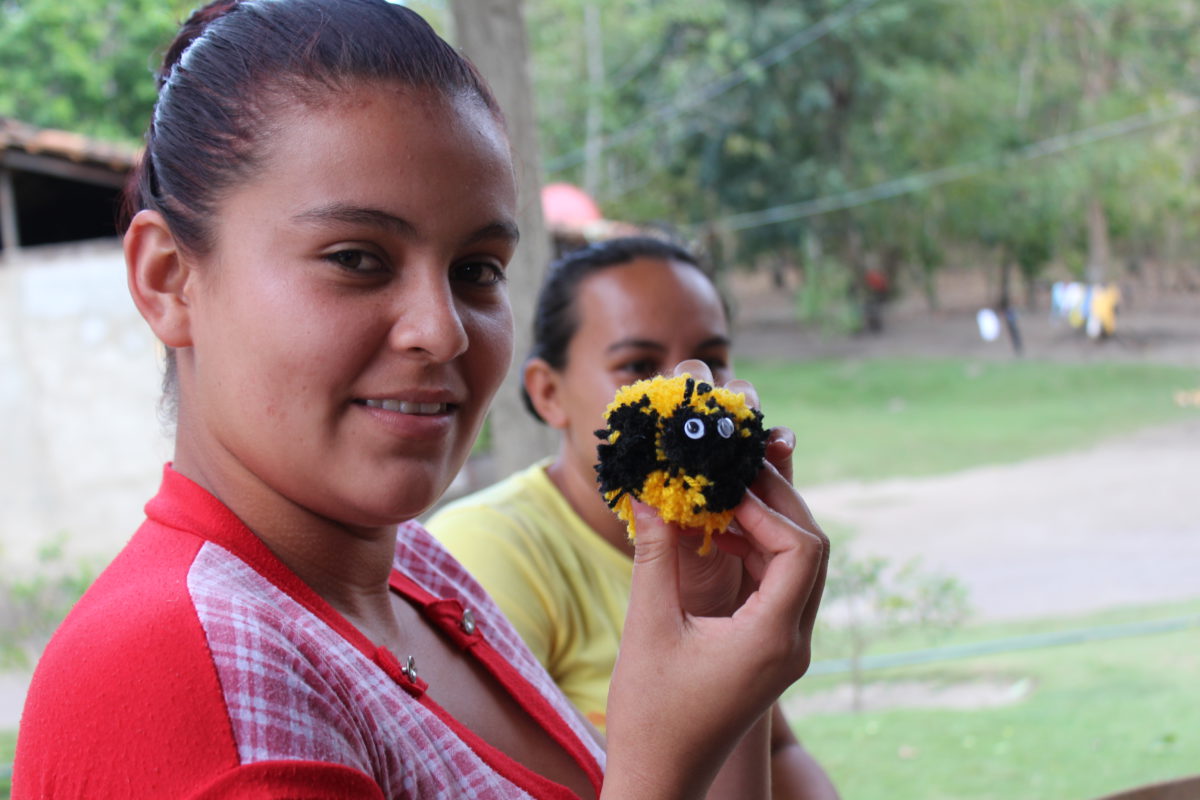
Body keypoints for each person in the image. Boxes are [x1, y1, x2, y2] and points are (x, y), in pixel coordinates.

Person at [12, 2, 829, 799]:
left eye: (477, 269)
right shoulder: (186, 682)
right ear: (169, 281)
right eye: (357, 258)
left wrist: (713, 637)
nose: (443, 333)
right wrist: (660, 769)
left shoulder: (411, 568)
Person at [429, 238, 840, 799]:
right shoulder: (488, 549)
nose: (688, 395)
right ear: (549, 393)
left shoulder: (721, 546)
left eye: (712, 360)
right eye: (639, 366)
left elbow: (776, 749)